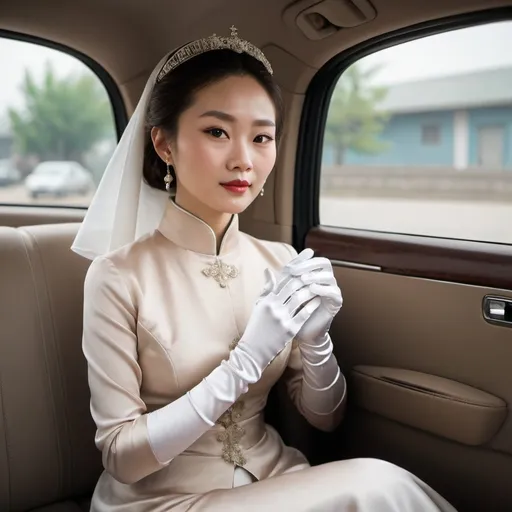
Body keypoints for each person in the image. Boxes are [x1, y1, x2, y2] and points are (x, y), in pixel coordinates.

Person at [73, 27, 457, 511]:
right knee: (376, 485)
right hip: (165, 499)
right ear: (164, 145)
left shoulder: (280, 260)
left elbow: (325, 420)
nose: (243, 160)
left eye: (262, 137)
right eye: (217, 131)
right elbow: (121, 458)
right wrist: (245, 362)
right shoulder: (116, 276)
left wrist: (318, 345)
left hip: (276, 478)